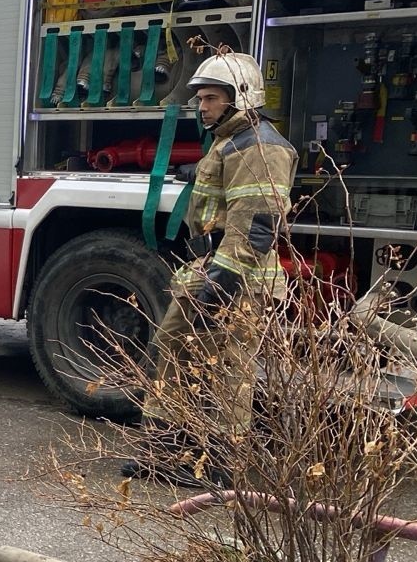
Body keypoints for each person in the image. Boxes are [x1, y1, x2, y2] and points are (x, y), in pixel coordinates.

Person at [125, 51, 297, 485]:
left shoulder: (260, 147)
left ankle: (221, 466)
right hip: (210, 270)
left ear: (241, 97)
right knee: (172, 352)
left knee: (227, 370)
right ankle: (165, 452)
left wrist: (219, 289)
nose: (201, 107)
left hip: (238, 281)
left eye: (211, 98)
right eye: (200, 98)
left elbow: (256, 227)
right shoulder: (230, 140)